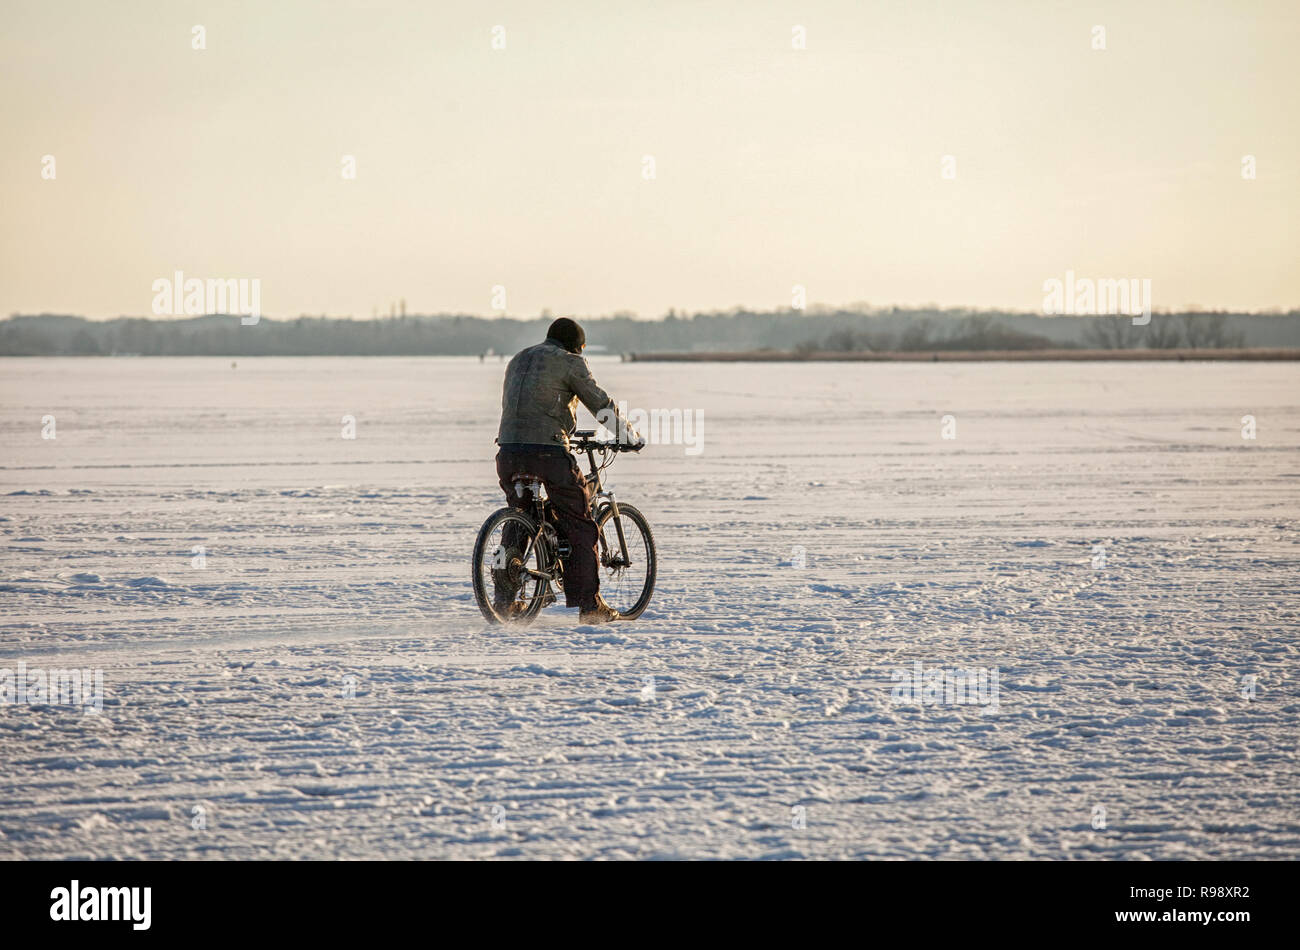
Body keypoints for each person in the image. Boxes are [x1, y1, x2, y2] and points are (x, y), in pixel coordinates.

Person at [494, 317, 642, 623]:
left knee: (521, 517)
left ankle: (505, 600)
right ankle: (590, 605)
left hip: (508, 451)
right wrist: (627, 436)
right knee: (580, 522)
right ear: (577, 346)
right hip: (546, 451)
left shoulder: (519, 358)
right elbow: (600, 404)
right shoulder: (571, 362)